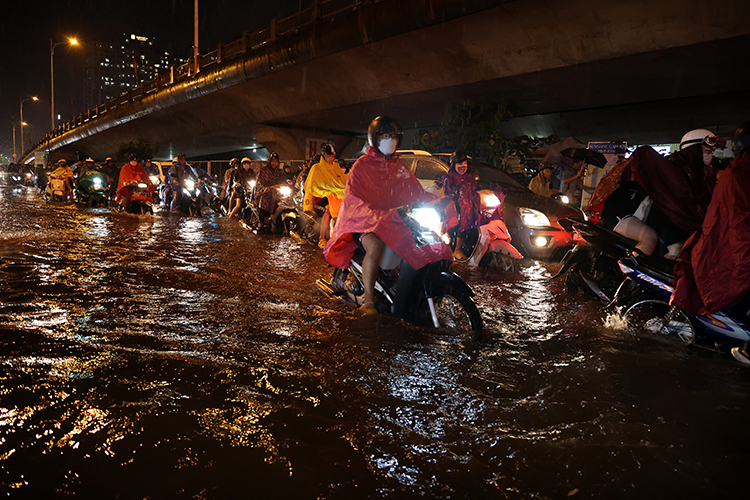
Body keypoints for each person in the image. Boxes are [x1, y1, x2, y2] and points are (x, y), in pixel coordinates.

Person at [324, 116, 452, 314]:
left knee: (418, 241)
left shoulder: (398, 166)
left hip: (392, 219)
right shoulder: (361, 166)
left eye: (393, 136)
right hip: (364, 223)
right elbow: (353, 198)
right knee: (375, 246)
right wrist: (373, 214)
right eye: (385, 135)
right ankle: (368, 301)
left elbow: (414, 190)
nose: (390, 140)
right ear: (375, 139)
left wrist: (437, 200)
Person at [671, 123, 750, 327]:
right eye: (707, 150)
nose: (711, 154)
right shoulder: (677, 172)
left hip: (709, 232)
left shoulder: (710, 175)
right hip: (675, 228)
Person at [303, 144, 347, 248]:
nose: (331, 158)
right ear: (324, 155)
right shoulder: (316, 168)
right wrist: (328, 192)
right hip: (319, 198)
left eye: (332, 156)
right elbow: (312, 187)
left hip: (333, 196)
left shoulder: (335, 166)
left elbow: (343, 181)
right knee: (328, 211)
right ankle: (321, 238)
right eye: (329, 156)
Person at [440, 151, 481, 260]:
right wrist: (455, 196)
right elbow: (445, 192)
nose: (463, 167)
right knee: (462, 222)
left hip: (467, 207)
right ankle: (457, 249)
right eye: (460, 165)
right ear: (454, 165)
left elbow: (477, 188)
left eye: (465, 164)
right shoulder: (448, 178)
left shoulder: (468, 177)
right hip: (453, 208)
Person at [254, 152, 287, 219]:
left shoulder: (279, 171)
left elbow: (283, 180)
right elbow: (259, 182)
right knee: (265, 199)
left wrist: (287, 184)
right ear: (269, 161)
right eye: (272, 161)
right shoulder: (263, 170)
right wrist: (264, 188)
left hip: (277, 191)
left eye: (276, 161)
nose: (274, 163)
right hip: (265, 190)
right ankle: (261, 221)